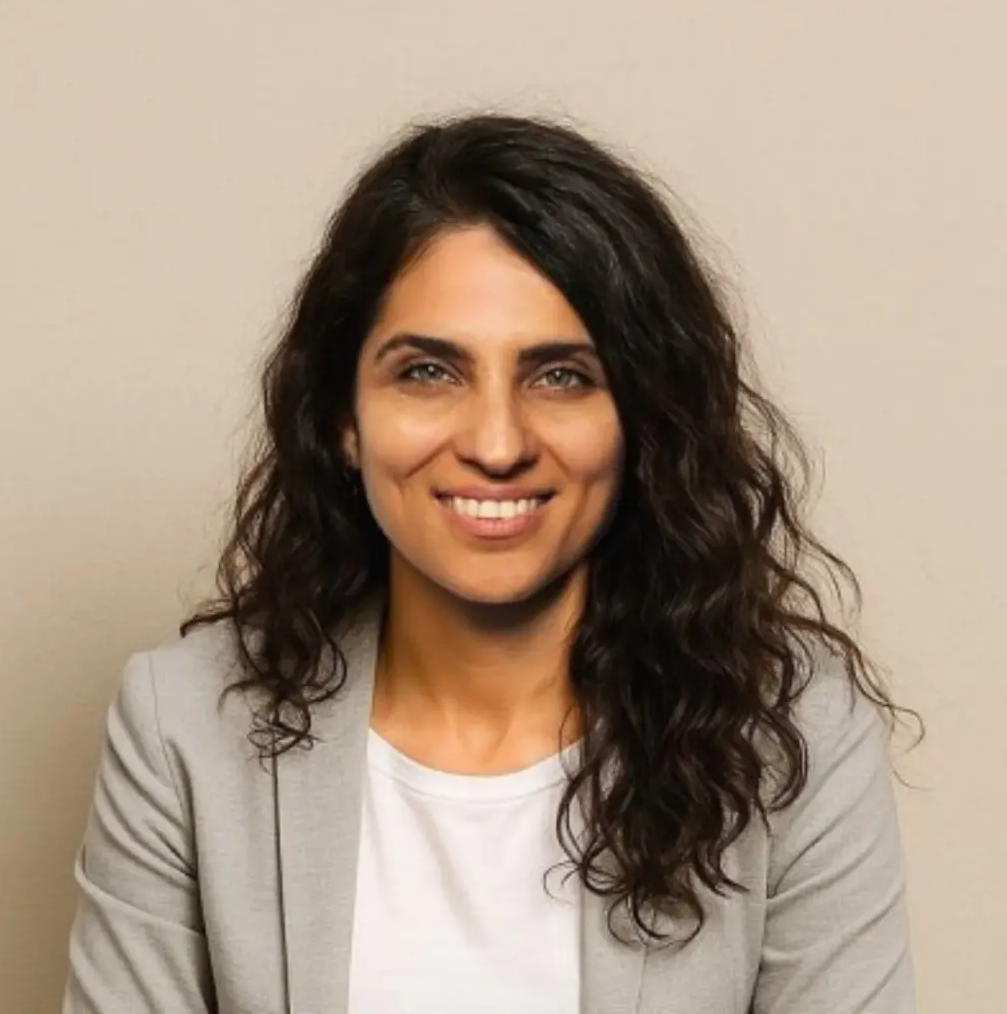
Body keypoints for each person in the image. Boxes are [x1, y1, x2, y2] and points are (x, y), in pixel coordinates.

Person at [62, 112, 919, 1013]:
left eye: (562, 376)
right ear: (344, 418)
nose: (498, 445)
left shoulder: (794, 737)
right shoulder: (183, 727)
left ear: (642, 420)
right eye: (429, 372)